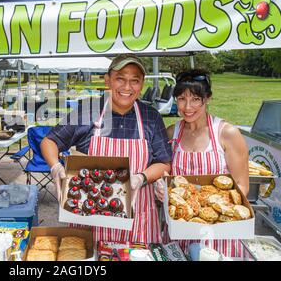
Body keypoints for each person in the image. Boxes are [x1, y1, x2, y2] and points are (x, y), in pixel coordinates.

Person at [41, 54, 172, 244]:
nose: (127, 88)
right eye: (120, 79)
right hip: (88, 217)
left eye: (134, 81)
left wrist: (140, 178)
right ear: (108, 80)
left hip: (136, 221)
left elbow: (164, 163)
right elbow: (49, 141)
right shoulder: (87, 110)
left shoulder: (151, 117)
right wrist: (55, 166)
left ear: (141, 85)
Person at [154, 69, 249, 257]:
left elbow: (242, 186)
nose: (187, 107)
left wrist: (213, 210)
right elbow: (165, 172)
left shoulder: (227, 134)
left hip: (218, 232)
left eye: (196, 99)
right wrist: (160, 185)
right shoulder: (172, 133)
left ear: (208, 98)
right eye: (181, 98)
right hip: (180, 228)